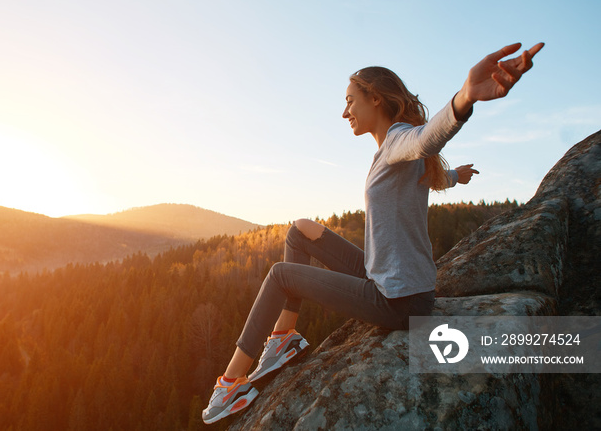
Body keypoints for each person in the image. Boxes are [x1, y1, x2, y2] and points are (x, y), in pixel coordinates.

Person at [202, 42, 544, 424]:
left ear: (375, 99)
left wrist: (466, 97)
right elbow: (429, 174)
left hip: (398, 301)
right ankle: (283, 340)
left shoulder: (400, 141)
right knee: (300, 231)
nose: (345, 111)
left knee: (281, 276)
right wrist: (456, 177)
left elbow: (428, 138)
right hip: (387, 276)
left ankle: (231, 383)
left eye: (351, 100)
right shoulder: (394, 152)